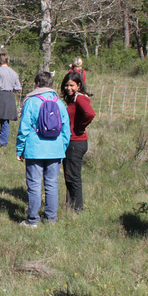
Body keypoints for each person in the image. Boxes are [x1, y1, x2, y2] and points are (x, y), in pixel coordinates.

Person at [15, 70, 71, 227]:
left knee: (34, 184)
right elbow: (66, 130)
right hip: (55, 149)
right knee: (52, 184)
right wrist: (62, 148)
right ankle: (50, 219)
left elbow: (24, 128)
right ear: (51, 84)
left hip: (35, 149)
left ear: (37, 83)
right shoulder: (60, 103)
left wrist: (20, 150)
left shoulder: (31, 102)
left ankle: (32, 220)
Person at [61, 71, 96, 212]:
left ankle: (78, 208)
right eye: (66, 85)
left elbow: (90, 113)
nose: (68, 88)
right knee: (69, 174)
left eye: (71, 85)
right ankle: (70, 204)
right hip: (71, 141)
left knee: (74, 176)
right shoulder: (73, 99)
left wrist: (80, 127)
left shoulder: (80, 98)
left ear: (79, 85)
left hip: (76, 141)